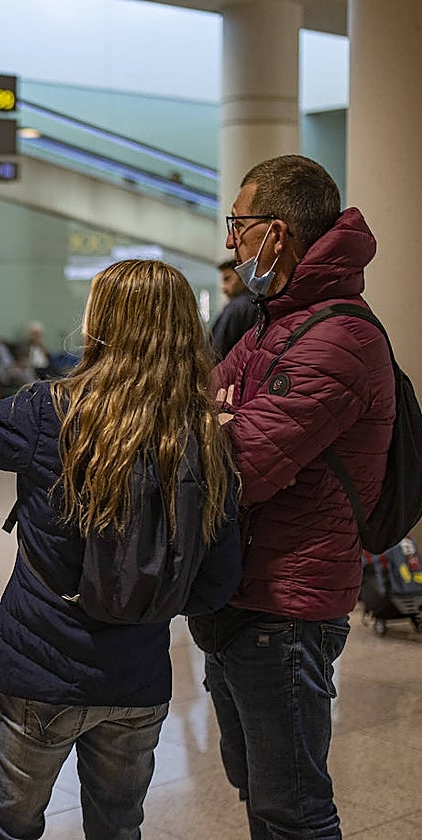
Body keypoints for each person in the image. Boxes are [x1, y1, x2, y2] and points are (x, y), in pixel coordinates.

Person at [0, 259, 242, 840]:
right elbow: (215, 582)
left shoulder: (53, 411)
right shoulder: (207, 434)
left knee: (7, 829)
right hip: (138, 676)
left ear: (103, 322)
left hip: (42, 667)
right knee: (119, 829)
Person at [193, 154, 394, 839]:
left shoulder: (335, 337)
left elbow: (238, 467)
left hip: (286, 609)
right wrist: (214, 420)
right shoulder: (275, 323)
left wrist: (221, 424)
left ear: (275, 233)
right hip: (244, 597)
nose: (230, 241)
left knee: (294, 811)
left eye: (238, 224)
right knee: (258, 790)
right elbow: (197, 405)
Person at [210, 258, 259, 360]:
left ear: (242, 276)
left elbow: (217, 350)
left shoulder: (237, 307)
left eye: (227, 279)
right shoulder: (262, 305)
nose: (223, 288)